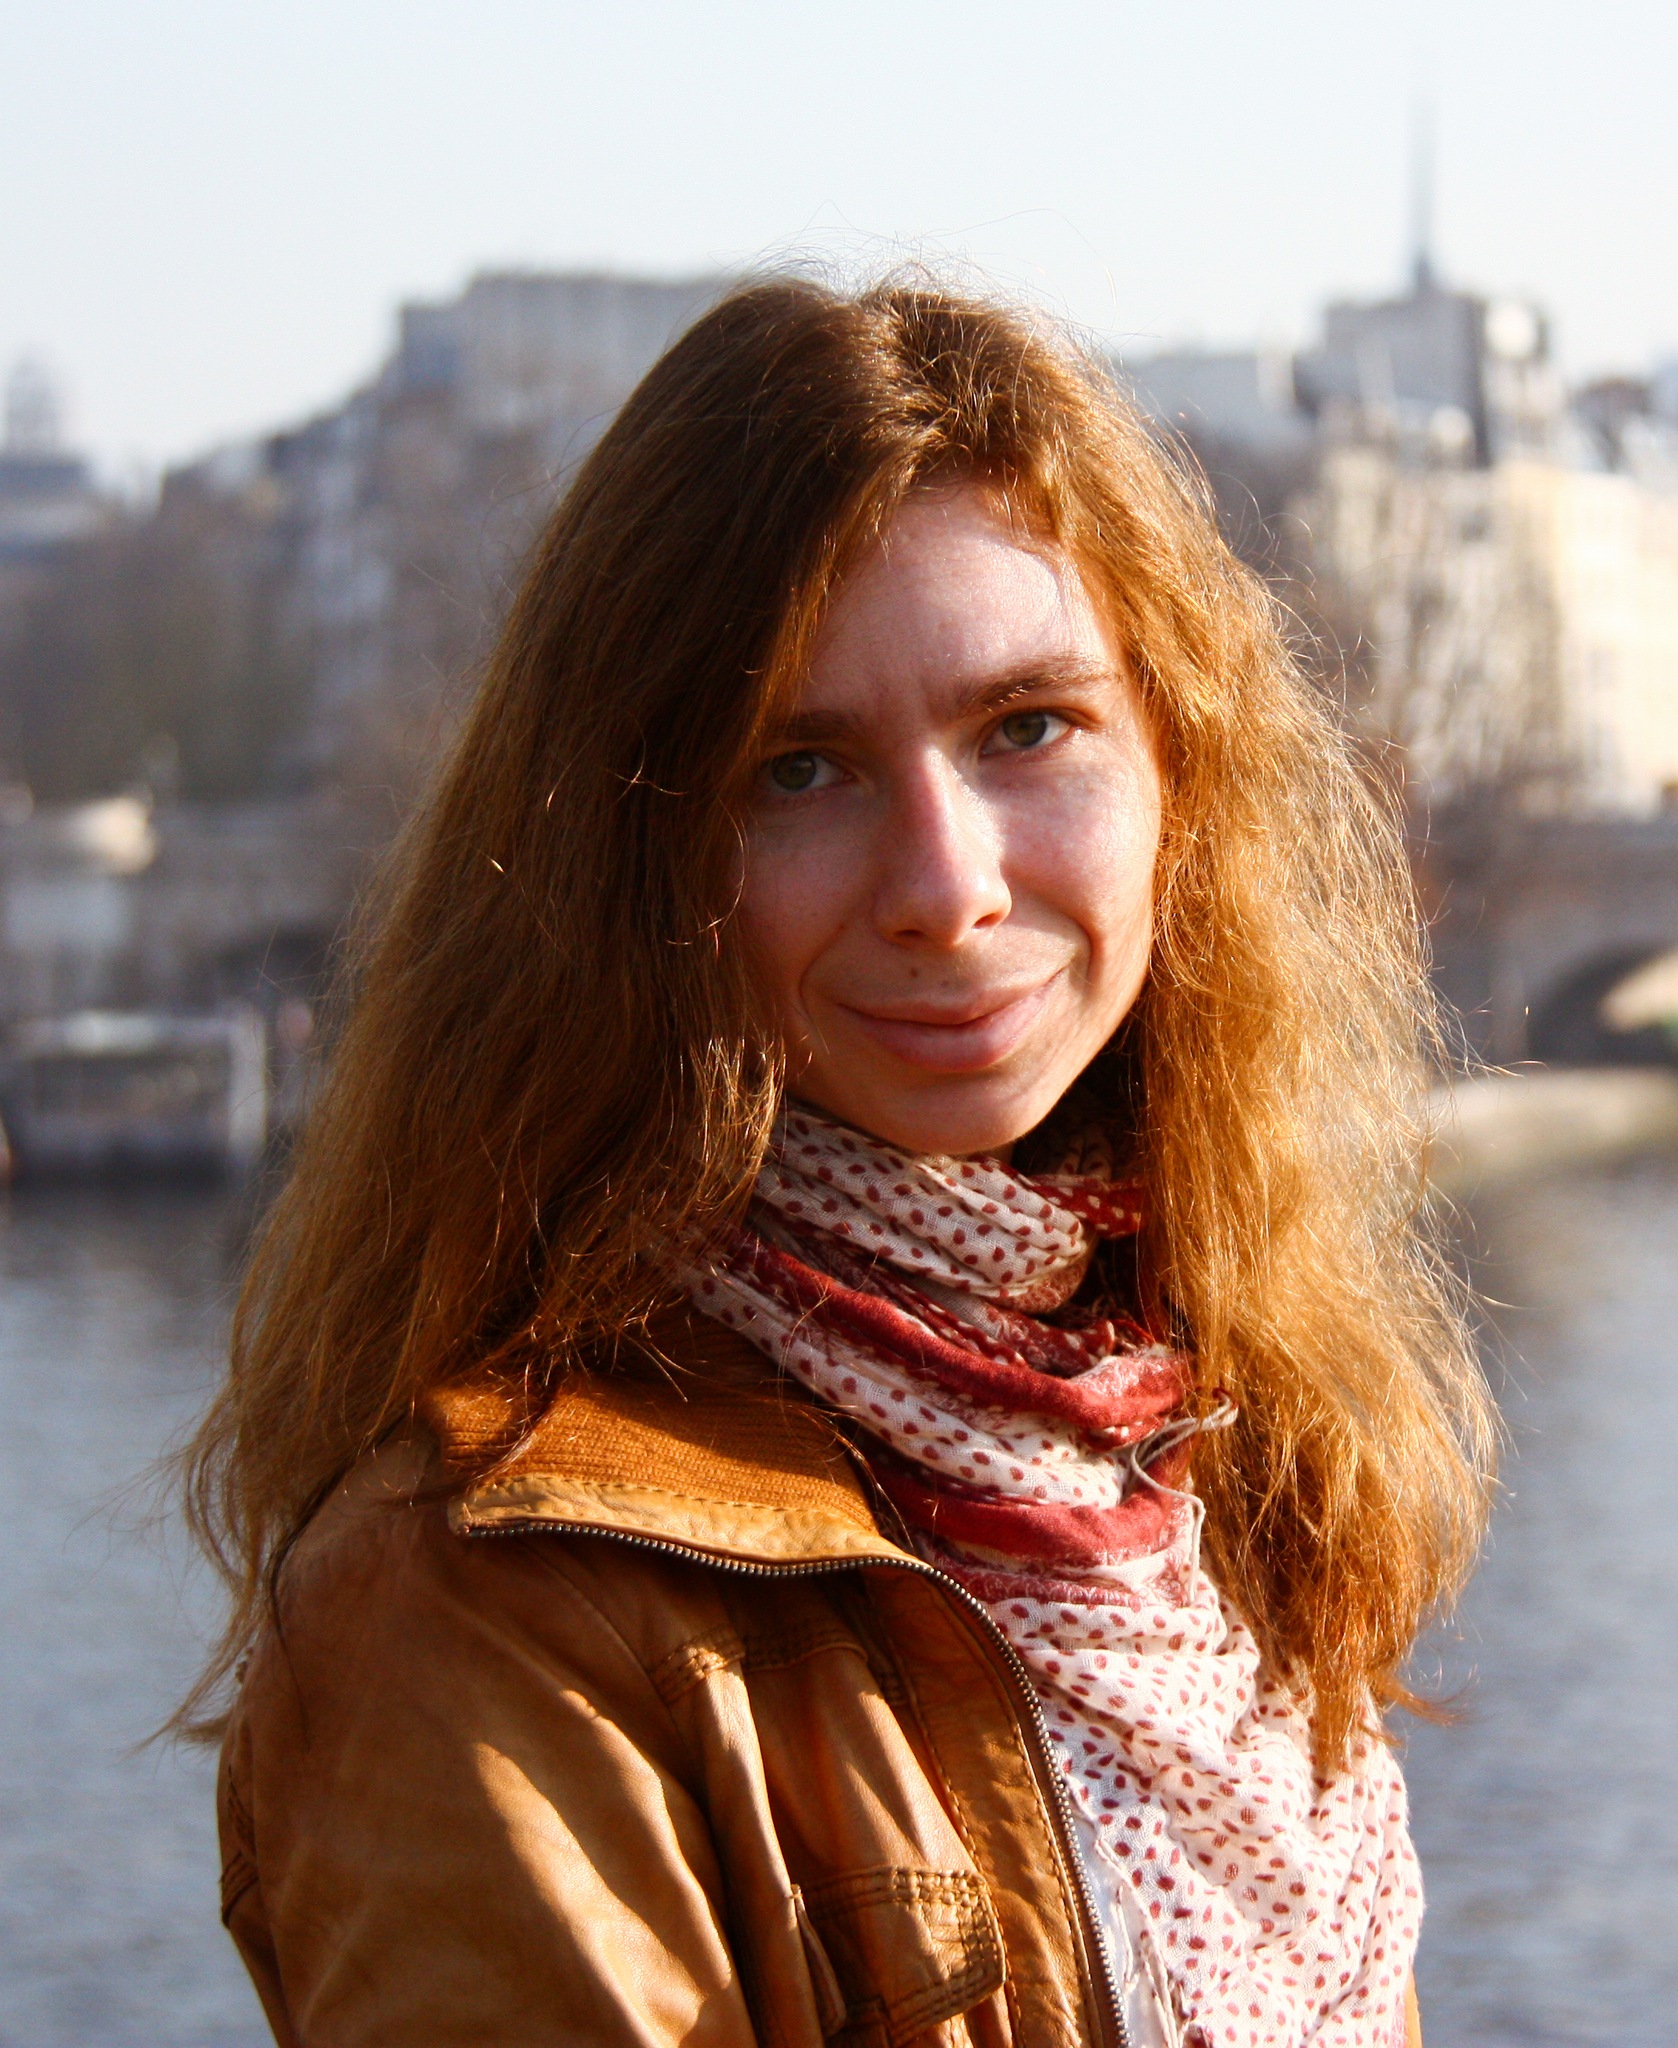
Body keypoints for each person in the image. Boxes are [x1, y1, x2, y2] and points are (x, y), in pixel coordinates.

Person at [181, 277, 1496, 2048]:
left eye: (1027, 727)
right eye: (799, 770)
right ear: (632, 867)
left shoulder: (1207, 1435)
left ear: (1176, 767)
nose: (948, 887)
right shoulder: (477, 1601)